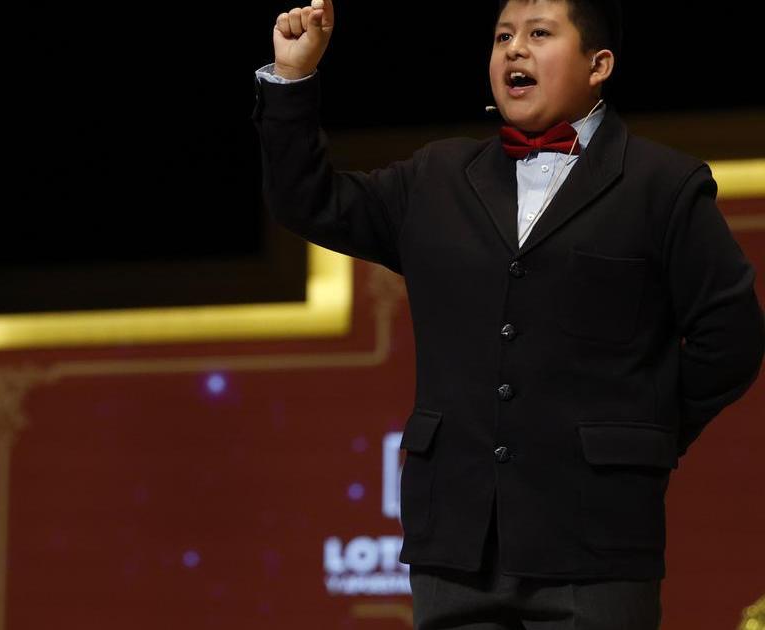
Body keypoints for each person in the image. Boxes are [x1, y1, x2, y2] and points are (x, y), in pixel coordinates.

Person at [252, 0, 764, 627]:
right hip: (456, 550)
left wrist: (641, 434)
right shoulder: (436, 177)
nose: (514, 49)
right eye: (502, 37)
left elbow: (731, 336)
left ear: (599, 64)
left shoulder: (664, 185)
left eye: (539, 33)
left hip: (596, 546)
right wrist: (292, 78)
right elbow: (307, 201)